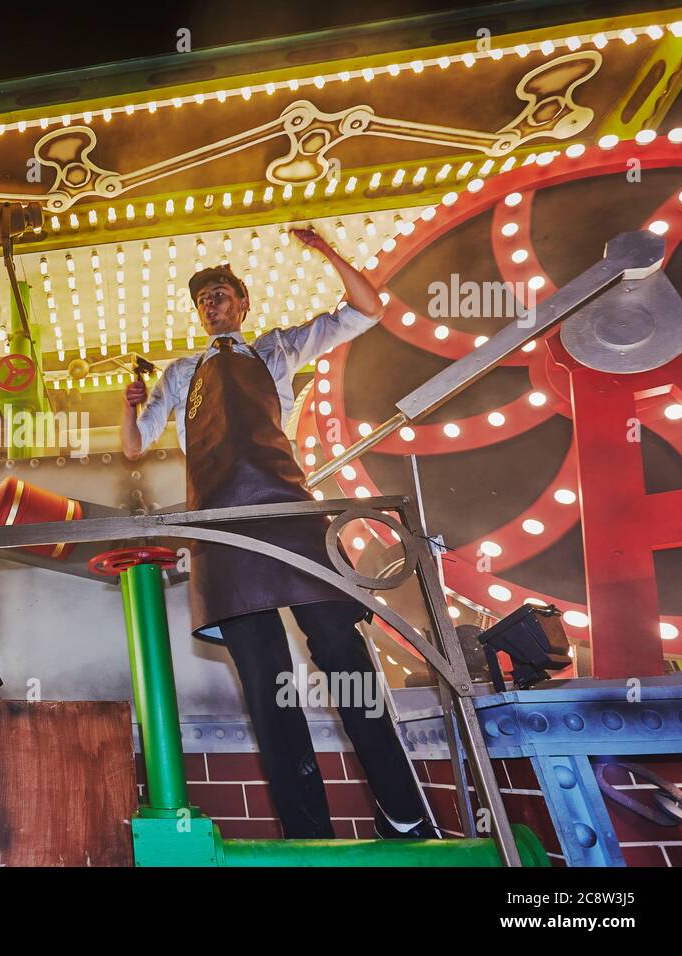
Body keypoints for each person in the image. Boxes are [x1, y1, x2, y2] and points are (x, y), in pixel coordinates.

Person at [122, 226, 435, 840]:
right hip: (220, 530)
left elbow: (369, 310)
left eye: (221, 293)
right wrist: (126, 407)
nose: (212, 303)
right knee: (268, 686)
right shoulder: (181, 374)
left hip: (291, 516)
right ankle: (306, 833)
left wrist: (321, 250)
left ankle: (403, 815)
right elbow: (135, 449)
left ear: (243, 303)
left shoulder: (276, 349)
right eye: (203, 297)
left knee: (346, 661)